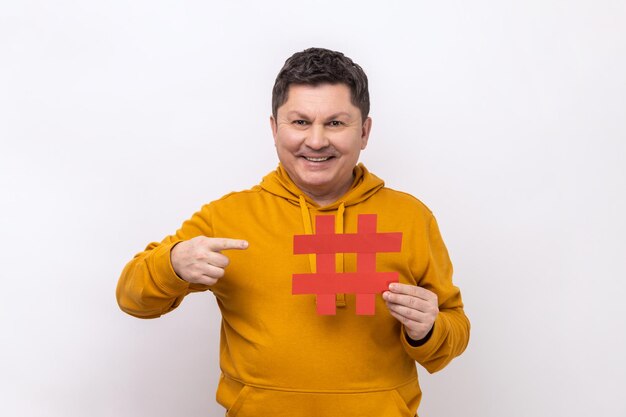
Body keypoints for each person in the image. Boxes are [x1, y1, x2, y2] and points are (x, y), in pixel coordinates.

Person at [116, 47, 470, 417]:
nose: (316, 141)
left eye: (336, 123)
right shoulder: (228, 217)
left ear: (364, 131)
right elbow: (132, 298)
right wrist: (171, 264)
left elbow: (454, 329)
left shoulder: (410, 217)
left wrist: (428, 329)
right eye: (300, 122)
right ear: (274, 128)